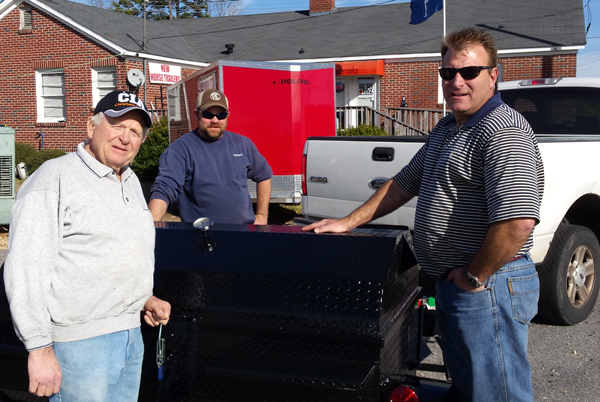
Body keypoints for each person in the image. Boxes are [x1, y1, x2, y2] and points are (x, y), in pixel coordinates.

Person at [303, 27, 544, 402]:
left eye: (469, 72)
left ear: (493, 75)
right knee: (469, 390)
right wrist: (348, 222)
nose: (456, 82)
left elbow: (517, 222)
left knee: (497, 395)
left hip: (489, 286)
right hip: (461, 285)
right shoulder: (449, 127)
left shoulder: (503, 131)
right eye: (448, 73)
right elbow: (402, 183)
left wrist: (472, 276)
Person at [4, 90, 171, 401]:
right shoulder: (54, 178)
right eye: (117, 125)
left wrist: (143, 297)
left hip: (131, 338)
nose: (125, 137)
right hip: (78, 347)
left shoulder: (130, 180)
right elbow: (26, 268)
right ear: (91, 127)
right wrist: (39, 349)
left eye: (135, 131)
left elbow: (111, 252)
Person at [149, 89, 273, 224]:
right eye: (208, 114)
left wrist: (262, 215)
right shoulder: (180, 149)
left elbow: (264, 175)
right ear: (196, 114)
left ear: (228, 115)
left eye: (221, 115)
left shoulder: (243, 144)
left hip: (243, 233)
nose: (215, 120)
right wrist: (150, 226)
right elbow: (165, 187)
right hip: (201, 236)